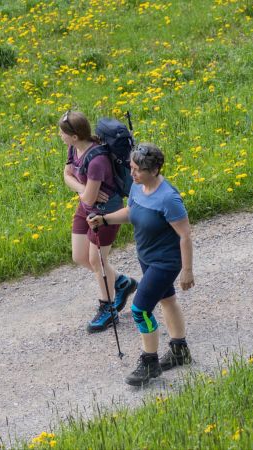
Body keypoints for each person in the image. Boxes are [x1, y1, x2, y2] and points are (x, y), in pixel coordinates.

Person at [87, 143, 195, 386]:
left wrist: (187, 270)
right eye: (131, 168)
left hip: (166, 262)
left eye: (137, 170)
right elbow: (131, 212)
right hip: (146, 256)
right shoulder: (138, 188)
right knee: (167, 300)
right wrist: (104, 220)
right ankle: (180, 350)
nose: (132, 174)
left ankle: (149, 362)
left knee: (140, 310)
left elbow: (185, 236)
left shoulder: (169, 198)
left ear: (154, 170)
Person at [60, 110, 138, 332]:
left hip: (105, 213)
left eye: (62, 133)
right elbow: (67, 175)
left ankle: (108, 309)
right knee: (79, 256)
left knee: (97, 261)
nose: (60, 136)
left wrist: (84, 191)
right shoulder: (74, 148)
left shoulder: (97, 161)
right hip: (85, 208)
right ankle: (122, 282)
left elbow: (89, 197)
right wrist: (82, 188)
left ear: (75, 135)